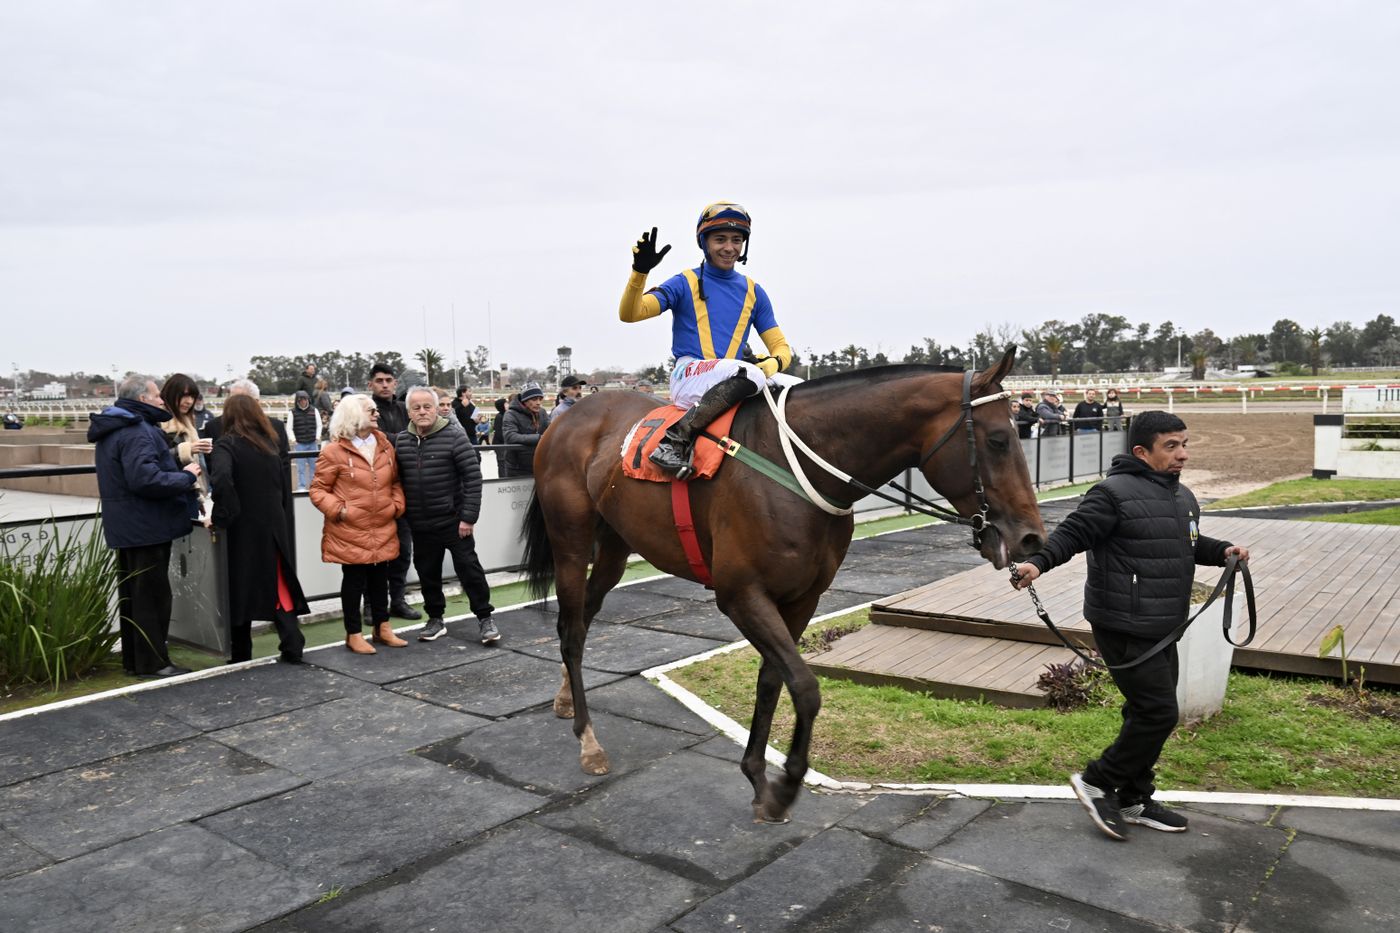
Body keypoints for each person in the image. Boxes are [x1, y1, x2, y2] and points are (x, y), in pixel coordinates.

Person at [1010, 411, 1252, 841]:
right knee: (1159, 712)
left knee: (1145, 711)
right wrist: (1037, 563)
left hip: (1164, 622)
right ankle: (1097, 780)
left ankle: (1134, 797)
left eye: (1184, 444)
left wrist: (1224, 552)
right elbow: (1072, 534)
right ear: (1142, 452)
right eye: (1171, 446)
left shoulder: (1182, 496)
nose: (1183, 454)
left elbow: (1187, 545)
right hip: (1122, 622)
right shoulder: (1111, 494)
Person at [621, 202, 802, 478]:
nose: (729, 247)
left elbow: (781, 348)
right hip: (690, 373)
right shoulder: (684, 282)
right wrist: (639, 273)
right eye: (720, 239)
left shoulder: (754, 291)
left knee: (798, 388)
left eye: (736, 240)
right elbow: (631, 314)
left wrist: (773, 364)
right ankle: (673, 441)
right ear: (704, 242)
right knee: (749, 372)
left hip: (730, 374)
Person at [87, 374, 201, 678]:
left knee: (136, 597)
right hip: (147, 526)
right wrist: (187, 476)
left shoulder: (117, 427)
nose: (163, 401)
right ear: (142, 399)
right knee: (153, 596)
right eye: (157, 396)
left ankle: (137, 661)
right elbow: (145, 479)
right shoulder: (137, 430)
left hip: (129, 526)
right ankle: (155, 662)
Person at [395, 387, 499, 644]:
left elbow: (473, 478)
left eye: (427, 406)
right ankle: (435, 619)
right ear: (409, 411)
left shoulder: (454, 436)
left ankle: (485, 618)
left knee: (469, 570)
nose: (422, 412)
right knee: (427, 572)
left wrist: (468, 517)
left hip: (454, 521)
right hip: (419, 523)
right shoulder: (401, 440)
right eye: (416, 408)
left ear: (437, 408)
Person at [210, 395, 309, 663]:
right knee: (278, 583)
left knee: (238, 586)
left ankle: (241, 653)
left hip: (242, 528)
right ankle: (291, 640)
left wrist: (221, 516)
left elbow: (220, 479)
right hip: (274, 524)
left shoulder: (226, 445)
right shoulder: (270, 444)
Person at [309, 393, 408, 654]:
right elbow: (318, 491)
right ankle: (353, 633)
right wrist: (341, 511)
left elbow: (395, 482)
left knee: (379, 580)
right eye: (370, 410)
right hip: (350, 530)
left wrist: (395, 506)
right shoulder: (333, 451)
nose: (376, 414)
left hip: (382, 526)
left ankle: (382, 627)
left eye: (376, 410)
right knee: (353, 582)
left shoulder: (385, 445)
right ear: (353, 415)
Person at [366, 363, 420, 620]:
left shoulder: (403, 409)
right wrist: (403, 438)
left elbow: (416, 434)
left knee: (403, 550)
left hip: (404, 489)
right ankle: (370, 605)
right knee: (374, 551)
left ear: (395, 383)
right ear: (371, 384)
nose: (385, 384)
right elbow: (378, 438)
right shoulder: (365, 410)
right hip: (375, 491)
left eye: (389, 380)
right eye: (380, 380)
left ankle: (398, 600)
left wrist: (396, 438)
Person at [158, 373, 213, 521]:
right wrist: (186, 450)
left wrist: (198, 498)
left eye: (192, 397)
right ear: (170, 394)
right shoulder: (158, 423)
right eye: (184, 396)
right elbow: (155, 459)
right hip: (169, 494)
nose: (189, 401)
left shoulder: (187, 422)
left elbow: (194, 464)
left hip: (187, 491)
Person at [500, 382, 550, 477]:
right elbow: (510, 437)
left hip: (540, 465)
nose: (538, 403)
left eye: (540, 399)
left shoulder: (542, 412)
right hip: (517, 468)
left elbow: (551, 429)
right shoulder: (510, 414)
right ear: (525, 400)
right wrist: (539, 438)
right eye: (534, 399)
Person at [285, 390, 322, 492]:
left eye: (304, 399)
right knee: (300, 468)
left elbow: (319, 425)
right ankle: (301, 486)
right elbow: (289, 428)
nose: (303, 401)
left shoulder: (314, 410)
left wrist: (318, 436)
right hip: (300, 443)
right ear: (297, 401)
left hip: (312, 442)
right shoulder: (292, 412)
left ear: (308, 400)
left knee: (314, 467)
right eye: (300, 400)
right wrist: (293, 439)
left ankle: (314, 486)